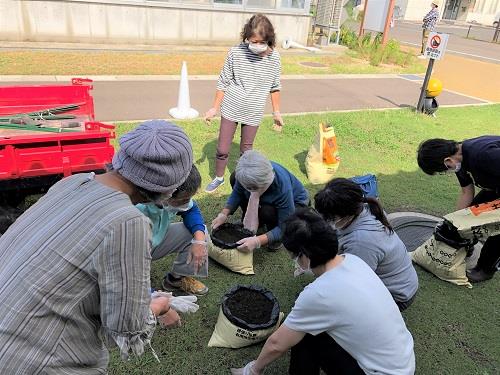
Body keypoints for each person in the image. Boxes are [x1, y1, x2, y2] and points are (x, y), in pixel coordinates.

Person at [0, 120, 198, 373]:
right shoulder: (129, 222)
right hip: (36, 359)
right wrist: (158, 306)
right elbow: (127, 325)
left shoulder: (73, 182)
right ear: (169, 187)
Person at [231, 208, 415, 375]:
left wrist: (252, 370)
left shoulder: (319, 294)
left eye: (293, 255)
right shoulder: (352, 260)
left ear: (305, 257)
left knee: (304, 334)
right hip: (402, 362)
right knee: (309, 328)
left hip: (380, 372)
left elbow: (276, 344)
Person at [204, 13, 283, 193]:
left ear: (268, 39)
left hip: (254, 110)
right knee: (223, 148)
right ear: (246, 37)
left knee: (246, 151)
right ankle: (219, 177)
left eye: (260, 42)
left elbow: (275, 86)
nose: (255, 45)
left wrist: (276, 112)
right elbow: (223, 81)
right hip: (231, 107)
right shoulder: (236, 52)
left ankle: (242, 181)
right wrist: (214, 108)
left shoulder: (274, 58)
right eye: (252, 41)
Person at [314, 178, 418, 311]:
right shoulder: (366, 209)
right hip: (403, 284)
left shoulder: (361, 242)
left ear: (346, 215)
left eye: (331, 218)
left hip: (397, 296)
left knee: (332, 307)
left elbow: (354, 282)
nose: (327, 222)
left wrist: (317, 269)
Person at [417, 136, 500, 282]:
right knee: (471, 215)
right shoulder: (459, 158)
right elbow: (466, 191)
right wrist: (456, 221)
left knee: (497, 229)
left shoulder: (483, 155)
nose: (445, 173)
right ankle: (467, 246)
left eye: (442, 171)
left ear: (447, 161)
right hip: (495, 186)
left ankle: (485, 269)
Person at [211, 150, 309, 252]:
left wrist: (258, 241)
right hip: (261, 189)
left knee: (267, 211)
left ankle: (273, 234)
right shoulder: (245, 173)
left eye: (252, 188)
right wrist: (223, 214)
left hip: (295, 202)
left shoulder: (281, 187)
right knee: (233, 178)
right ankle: (256, 223)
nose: (248, 189)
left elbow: (285, 226)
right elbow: (237, 192)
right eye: (248, 187)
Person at [136, 164, 209, 296]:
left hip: (154, 240)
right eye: (184, 199)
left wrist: (199, 241)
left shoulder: (171, 196)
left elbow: (191, 210)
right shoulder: (137, 207)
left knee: (200, 233)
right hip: (133, 248)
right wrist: (152, 296)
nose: (187, 202)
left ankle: (176, 280)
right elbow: (122, 268)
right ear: (167, 193)